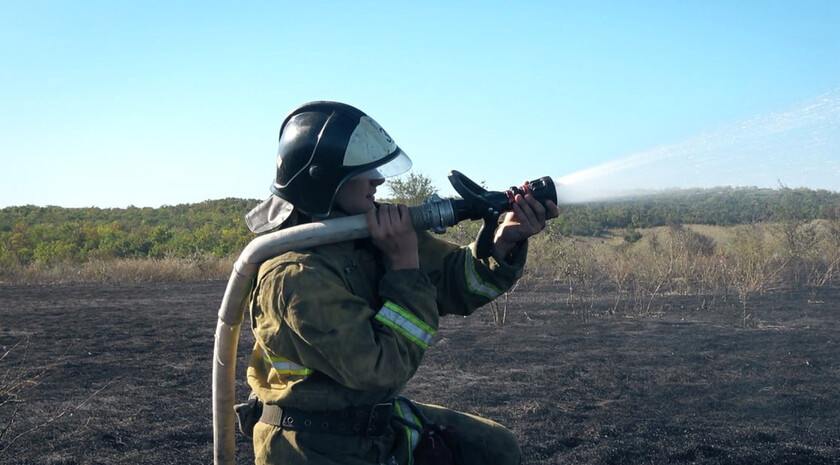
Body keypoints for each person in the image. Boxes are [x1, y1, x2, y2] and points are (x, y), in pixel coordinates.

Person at [241, 101, 559, 465]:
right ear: (325, 179)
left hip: (372, 422)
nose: (379, 179)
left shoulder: (370, 233)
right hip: (315, 445)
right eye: (364, 171)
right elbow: (380, 368)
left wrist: (505, 241)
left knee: (494, 449)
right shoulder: (294, 278)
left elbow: (458, 282)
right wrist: (403, 266)